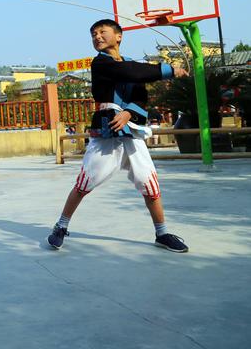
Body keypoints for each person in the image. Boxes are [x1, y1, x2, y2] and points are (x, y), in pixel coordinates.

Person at [47, 19, 190, 252]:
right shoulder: (101, 63)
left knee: (150, 183)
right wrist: (169, 70)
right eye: (93, 34)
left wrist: (128, 113)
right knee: (85, 182)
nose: (97, 37)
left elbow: (141, 96)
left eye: (102, 32)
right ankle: (61, 226)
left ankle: (162, 233)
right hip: (107, 134)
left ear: (119, 36)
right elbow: (129, 71)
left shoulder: (133, 66)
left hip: (131, 134)